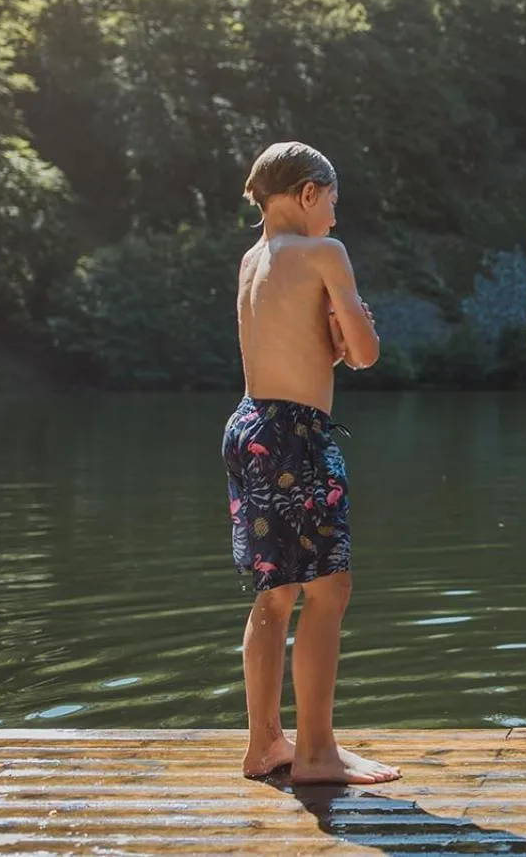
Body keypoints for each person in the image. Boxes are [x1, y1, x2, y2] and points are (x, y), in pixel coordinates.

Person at [222, 141, 400, 785]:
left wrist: (337, 340)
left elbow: (303, 352)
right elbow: (365, 354)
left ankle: (265, 744)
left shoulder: (252, 261)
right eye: (331, 199)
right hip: (295, 437)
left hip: (250, 426)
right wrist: (358, 326)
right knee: (329, 590)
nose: (334, 214)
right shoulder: (326, 253)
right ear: (306, 193)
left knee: (275, 595)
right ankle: (317, 753)